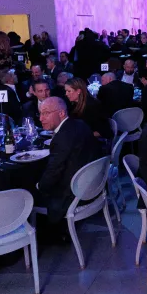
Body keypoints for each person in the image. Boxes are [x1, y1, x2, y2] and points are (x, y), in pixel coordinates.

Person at [35, 97, 103, 227]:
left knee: (29, 193)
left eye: (46, 113)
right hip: (94, 185)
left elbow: (54, 172)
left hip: (75, 194)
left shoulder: (62, 138)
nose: (41, 119)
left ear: (61, 113)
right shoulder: (80, 124)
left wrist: (40, 186)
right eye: (40, 113)